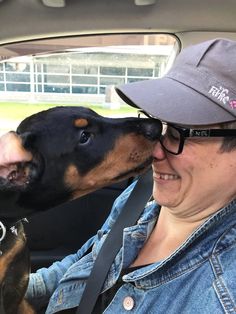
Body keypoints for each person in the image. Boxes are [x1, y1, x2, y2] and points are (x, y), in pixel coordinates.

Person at [26, 38, 236, 313]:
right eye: (157, 125)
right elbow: (85, 262)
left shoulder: (225, 292)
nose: (155, 152)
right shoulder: (143, 194)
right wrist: (16, 286)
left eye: (179, 133)